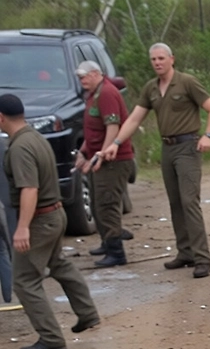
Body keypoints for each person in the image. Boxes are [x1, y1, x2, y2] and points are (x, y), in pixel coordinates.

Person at [102, 42, 210, 279]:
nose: (157, 63)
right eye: (153, 59)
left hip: (188, 147)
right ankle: (185, 252)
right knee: (175, 202)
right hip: (167, 148)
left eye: (161, 58)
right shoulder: (151, 88)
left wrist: (208, 135)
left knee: (189, 201)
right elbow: (134, 119)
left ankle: (202, 259)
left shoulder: (187, 82)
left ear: (171, 59)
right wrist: (115, 143)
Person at [1, 94, 101, 349]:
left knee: (24, 281)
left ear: (1, 118)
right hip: (56, 213)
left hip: (40, 219)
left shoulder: (20, 147)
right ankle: (87, 313)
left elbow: (29, 189)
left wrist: (22, 227)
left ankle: (51, 338)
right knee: (58, 264)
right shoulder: (35, 137)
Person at [75, 60, 135, 267]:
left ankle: (116, 252)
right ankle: (107, 242)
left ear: (95, 74)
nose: (81, 81)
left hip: (113, 160)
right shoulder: (93, 95)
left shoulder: (107, 93)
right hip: (97, 157)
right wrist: (83, 152)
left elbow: (112, 127)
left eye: (83, 77)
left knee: (107, 204)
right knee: (97, 203)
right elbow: (93, 130)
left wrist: (102, 154)